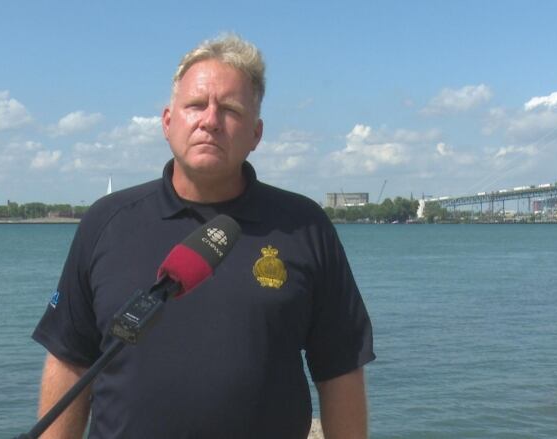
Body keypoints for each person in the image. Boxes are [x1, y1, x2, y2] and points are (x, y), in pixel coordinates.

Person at [32, 34, 375, 439]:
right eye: (195, 105)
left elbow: (340, 371)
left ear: (256, 134)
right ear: (167, 121)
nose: (210, 120)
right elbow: (70, 361)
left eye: (230, 109)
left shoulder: (304, 226)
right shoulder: (107, 222)